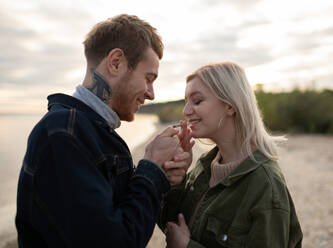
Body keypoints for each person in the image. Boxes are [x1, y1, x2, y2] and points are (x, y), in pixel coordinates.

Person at [16, 14, 191, 248]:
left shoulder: (91, 131)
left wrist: (162, 176)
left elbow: (116, 211)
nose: (151, 94)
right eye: (148, 79)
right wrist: (151, 166)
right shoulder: (63, 134)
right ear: (116, 62)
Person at [159, 62, 303, 248]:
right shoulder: (205, 167)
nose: (185, 111)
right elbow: (173, 228)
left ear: (230, 105)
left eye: (197, 101)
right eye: (186, 102)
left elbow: (181, 241)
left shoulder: (266, 184)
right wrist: (174, 180)